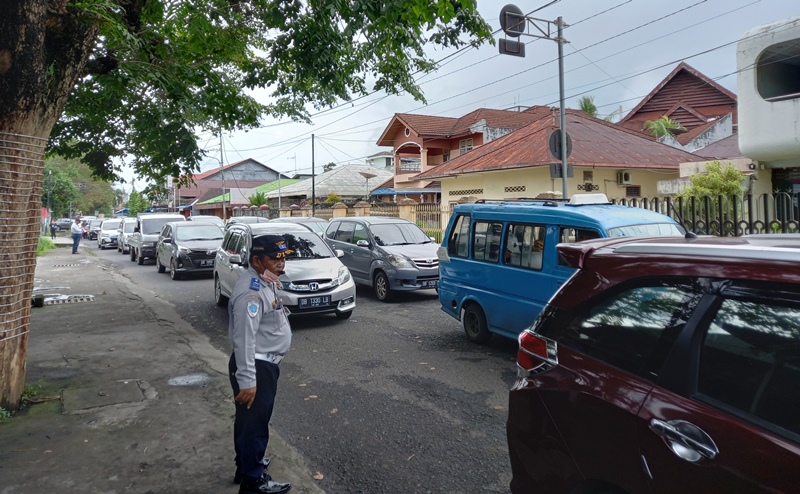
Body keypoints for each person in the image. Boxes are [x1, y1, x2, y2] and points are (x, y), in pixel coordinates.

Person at [228, 234, 293, 494]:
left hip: (262, 364)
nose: (281, 264)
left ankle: (246, 464)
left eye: (283, 258)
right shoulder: (251, 293)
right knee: (255, 426)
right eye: (275, 259)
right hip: (256, 366)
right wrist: (248, 380)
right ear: (256, 260)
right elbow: (244, 338)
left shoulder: (265, 281)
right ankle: (253, 481)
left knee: (248, 423)